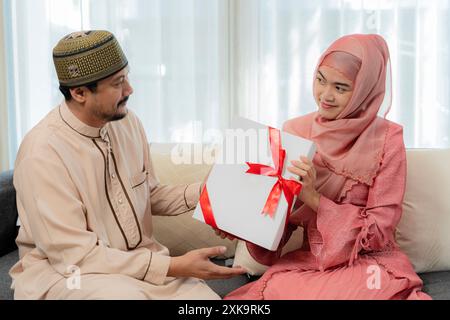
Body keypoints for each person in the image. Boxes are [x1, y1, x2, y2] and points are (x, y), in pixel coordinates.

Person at [9, 30, 246, 300]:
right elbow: (75, 256)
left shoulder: (127, 123)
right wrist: (174, 266)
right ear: (79, 92)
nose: (130, 89)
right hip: (69, 276)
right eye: (118, 82)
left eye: (127, 77)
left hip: (139, 265)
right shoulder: (42, 154)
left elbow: (148, 194)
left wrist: (206, 192)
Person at [221, 34, 431, 300]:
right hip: (313, 263)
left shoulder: (388, 138)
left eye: (341, 88)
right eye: (320, 80)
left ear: (365, 89)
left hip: (366, 262)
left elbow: (379, 232)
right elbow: (277, 223)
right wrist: (242, 222)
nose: (325, 96)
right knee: (275, 292)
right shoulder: (295, 131)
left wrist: (314, 199)